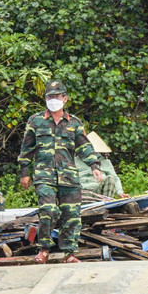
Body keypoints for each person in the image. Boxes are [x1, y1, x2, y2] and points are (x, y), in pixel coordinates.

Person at [17, 81, 103, 264]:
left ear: (65, 99)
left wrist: (94, 166)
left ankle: (70, 253)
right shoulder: (36, 121)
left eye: (56, 96)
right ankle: (44, 249)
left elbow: (85, 147)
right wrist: (24, 172)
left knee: (71, 214)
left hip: (69, 176)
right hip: (44, 175)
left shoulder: (75, 123)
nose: (53, 100)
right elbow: (27, 149)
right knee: (48, 210)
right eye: (49, 96)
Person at [76, 132, 126, 198]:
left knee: (110, 179)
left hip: (98, 192)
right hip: (79, 192)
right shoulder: (75, 160)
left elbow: (115, 179)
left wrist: (120, 192)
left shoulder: (105, 162)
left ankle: (106, 203)